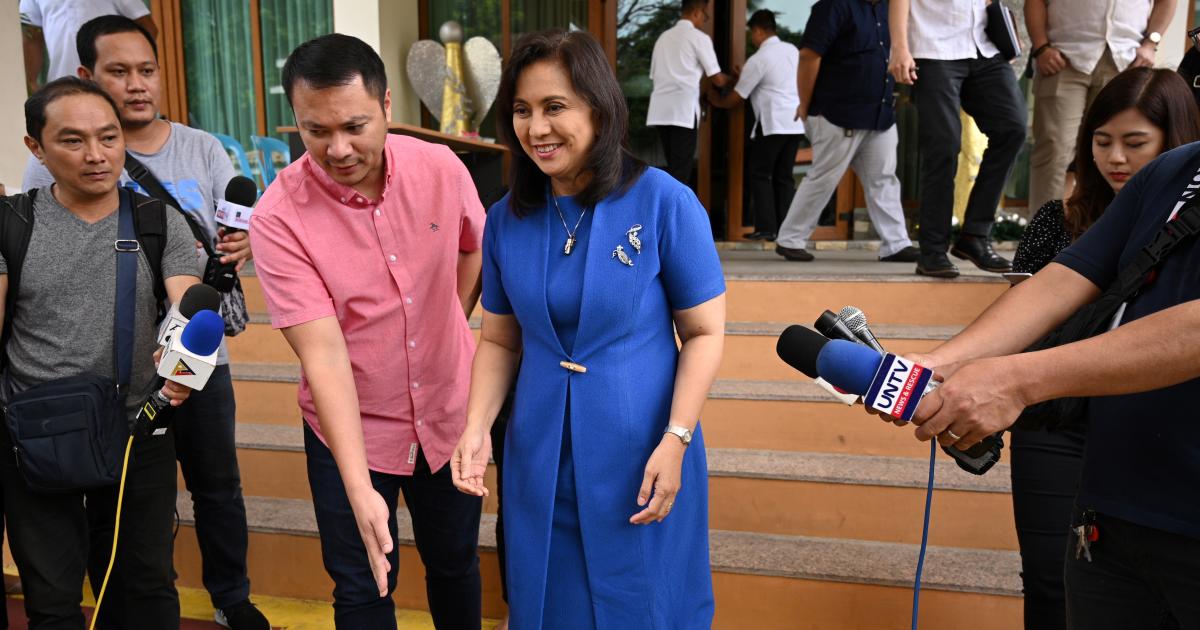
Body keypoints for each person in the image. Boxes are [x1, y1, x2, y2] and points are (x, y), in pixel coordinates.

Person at [887, 91, 1200, 629]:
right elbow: (1068, 276)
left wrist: (1018, 379)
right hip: (1112, 516)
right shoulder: (1174, 171)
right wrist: (939, 364)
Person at [452, 29, 725, 629]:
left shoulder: (664, 202)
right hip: (539, 454)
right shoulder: (506, 220)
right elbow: (500, 339)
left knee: (648, 602)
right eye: (522, 110)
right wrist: (475, 428)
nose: (536, 128)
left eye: (555, 107)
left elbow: (704, 333)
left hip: (645, 451)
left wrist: (677, 438)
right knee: (550, 600)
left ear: (599, 109)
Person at [21, 16, 268, 629]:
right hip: (95, 381)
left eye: (147, 70)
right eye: (119, 72)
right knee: (107, 522)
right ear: (88, 75)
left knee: (213, 486)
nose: (136, 84)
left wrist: (244, 244)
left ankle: (230, 596)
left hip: (189, 359)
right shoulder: (43, 176)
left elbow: (233, 235)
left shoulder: (200, 149)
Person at [248, 34, 485, 629]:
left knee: (454, 563)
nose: (338, 149)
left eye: (354, 126)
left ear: (385, 105)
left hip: (447, 413)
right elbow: (324, 357)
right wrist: (358, 488)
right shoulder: (278, 217)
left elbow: (475, 247)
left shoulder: (440, 168)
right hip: (350, 429)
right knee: (363, 585)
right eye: (315, 131)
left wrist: (450, 319)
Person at [1008, 67, 1200, 630]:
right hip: (1105, 493)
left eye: (1134, 142)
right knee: (1050, 580)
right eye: (1102, 141)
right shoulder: (1165, 177)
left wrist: (1014, 380)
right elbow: (1058, 285)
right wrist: (942, 367)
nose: (1116, 157)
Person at [4, 76, 197, 629]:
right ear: (36, 147)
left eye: (109, 137)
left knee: (144, 587)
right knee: (52, 598)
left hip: (137, 428)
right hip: (36, 431)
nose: (96, 155)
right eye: (73, 141)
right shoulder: (12, 223)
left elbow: (187, 306)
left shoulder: (158, 221)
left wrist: (183, 365)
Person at [772, 0, 918, 263]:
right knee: (824, 178)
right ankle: (790, 240)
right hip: (837, 113)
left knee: (884, 180)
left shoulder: (891, 9)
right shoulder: (832, 7)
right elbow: (808, 57)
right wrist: (804, 105)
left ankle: (896, 244)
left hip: (880, 114)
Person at [889, 0, 1024, 278]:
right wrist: (900, 48)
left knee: (1012, 129)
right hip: (933, 49)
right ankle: (932, 251)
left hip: (984, 47)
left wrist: (1006, 33)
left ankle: (975, 236)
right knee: (943, 146)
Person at [1024, 0, 1175, 213]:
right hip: (1063, 57)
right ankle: (1044, 230)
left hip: (1124, 61)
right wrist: (1041, 47)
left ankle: (1104, 226)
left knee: (1114, 151)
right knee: (1054, 149)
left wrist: (1151, 43)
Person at [708, 10, 805, 241]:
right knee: (784, 177)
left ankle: (766, 228)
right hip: (795, 123)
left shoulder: (759, 59)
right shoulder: (792, 50)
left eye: (752, 33)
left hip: (773, 123)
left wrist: (715, 101)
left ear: (759, 30)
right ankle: (787, 231)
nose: (752, 38)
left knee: (760, 174)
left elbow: (737, 97)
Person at [647, 0, 735, 186]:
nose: (704, 20)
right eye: (705, 15)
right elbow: (718, 79)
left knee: (672, 169)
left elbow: (654, 76)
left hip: (660, 111)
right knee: (681, 172)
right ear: (696, 12)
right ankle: (675, 206)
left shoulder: (663, 38)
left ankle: (666, 204)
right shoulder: (698, 38)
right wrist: (736, 79)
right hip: (682, 111)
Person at [19, 0, 157, 93]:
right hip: (61, 85)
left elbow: (147, 28)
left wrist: (129, 71)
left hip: (111, 86)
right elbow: (31, 35)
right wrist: (30, 82)